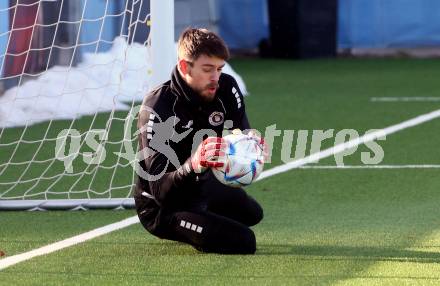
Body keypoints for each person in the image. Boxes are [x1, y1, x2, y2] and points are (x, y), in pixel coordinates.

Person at [135, 28, 264, 254]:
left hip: (201, 183)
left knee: (252, 214)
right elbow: (160, 191)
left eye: (219, 69)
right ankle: (195, 225)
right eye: (207, 69)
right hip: (163, 207)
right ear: (185, 67)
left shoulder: (225, 87)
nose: (216, 78)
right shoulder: (157, 108)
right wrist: (194, 164)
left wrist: (252, 144)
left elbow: (242, 130)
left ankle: (204, 219)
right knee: (244, 242)